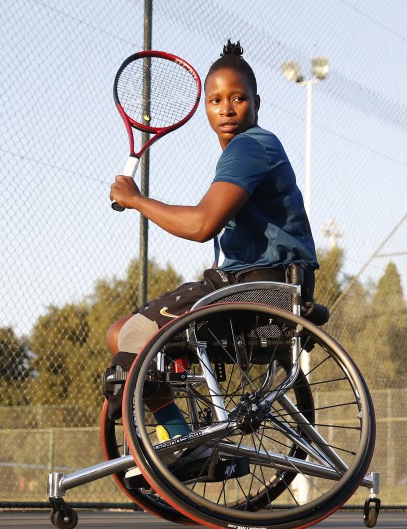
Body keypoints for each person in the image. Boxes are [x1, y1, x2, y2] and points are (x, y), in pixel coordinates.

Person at [106, 39, 318, 448]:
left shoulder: (251, 147)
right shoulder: (250, 149)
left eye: (238, 98)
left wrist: (136, 200)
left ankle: (187, 441)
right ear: (205, 107)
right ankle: (186, 437)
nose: (226, 108)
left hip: (259, 291)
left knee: (128, 334)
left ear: (257, 102)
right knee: (127, 334)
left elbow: (202, 224)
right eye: (216, 100)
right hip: (268, 288)